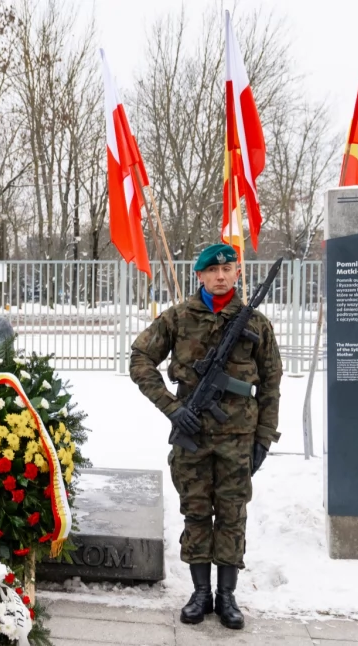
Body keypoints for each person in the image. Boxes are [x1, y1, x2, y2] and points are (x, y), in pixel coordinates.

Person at [128, 243, 282, 630]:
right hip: (192, 434)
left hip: (238, 438)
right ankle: (200, 592)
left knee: (232, 515)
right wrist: (172, 407)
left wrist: (263, 438)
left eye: (227, 269)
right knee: (196, 511)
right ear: (199, 276)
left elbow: (271, 385)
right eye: (212, 271)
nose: (220, 276)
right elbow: (140, 358)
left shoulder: (256, 324)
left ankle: (227, 596)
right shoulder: (179, 318)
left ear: (237, 274)